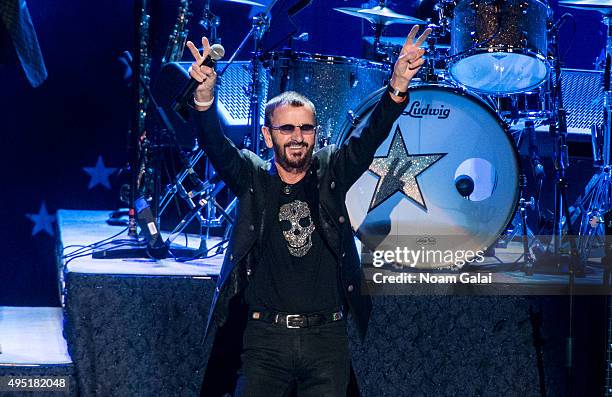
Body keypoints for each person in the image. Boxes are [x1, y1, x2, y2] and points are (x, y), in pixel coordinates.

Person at [187, 25, 430, 397]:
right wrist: (204, 100)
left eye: (306, 129)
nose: (297, 137)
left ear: (317, 133)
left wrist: (397, 86)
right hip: (265, 340)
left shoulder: (332, 171)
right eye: (286, 129)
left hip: (325, 340)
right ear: (268, 136)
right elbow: (215, 145)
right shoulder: (252, 177)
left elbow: (369, 136)